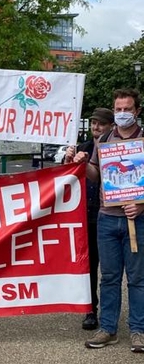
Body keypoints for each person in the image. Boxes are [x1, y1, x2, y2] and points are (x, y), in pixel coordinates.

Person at [83, 89, 144, 352]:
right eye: (118, 109)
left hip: (138, 221)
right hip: (107, 218)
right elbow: (96, 174)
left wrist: (142, 204)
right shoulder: (105, 139)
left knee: (138, 278)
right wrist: (83, 163)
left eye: (127, 109)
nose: (122, 114)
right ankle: (107, 329)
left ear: (137, 111)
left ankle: (138, 330)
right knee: (108, 277)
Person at [63, 108, 114, 331]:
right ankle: (90, 310)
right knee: (90, 266)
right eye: (93, 123)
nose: (96, 127)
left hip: (110, 213)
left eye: (101, 124)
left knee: (112, 270)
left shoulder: (115, 147)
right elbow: (64, 179)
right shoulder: (82, 149)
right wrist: (69, 160)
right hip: (86, 215)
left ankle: (111, 314)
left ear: (110, 126)